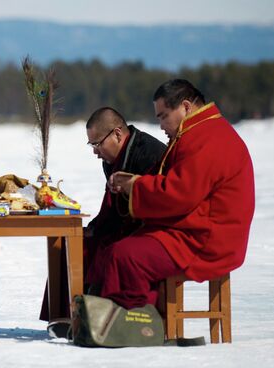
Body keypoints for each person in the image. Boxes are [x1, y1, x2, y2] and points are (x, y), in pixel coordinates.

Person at [94, 79, 255, 310]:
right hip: (191, 229)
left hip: (207, 239)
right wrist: (134, 182)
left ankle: (138, 322)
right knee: (115, 245)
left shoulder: (209, 138)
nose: (160, 125)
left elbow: (178, 194)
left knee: (126, 255)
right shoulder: (195, 132)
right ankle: (128, 318)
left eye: (163, 116)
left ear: (186, 107)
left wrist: (136, 185)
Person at [40, 107, 166, 326]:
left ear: (117, 134)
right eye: (92, 145)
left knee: (106, 251)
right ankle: (63, 318)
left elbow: (158, 200)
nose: (95, 152)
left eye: (97, 144)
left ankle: (100, 320)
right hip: (119, 224)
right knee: (72, 244)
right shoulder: (110, 160)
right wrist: (93, 228)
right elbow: (111, 204)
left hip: (147, 229)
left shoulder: (149, 154)